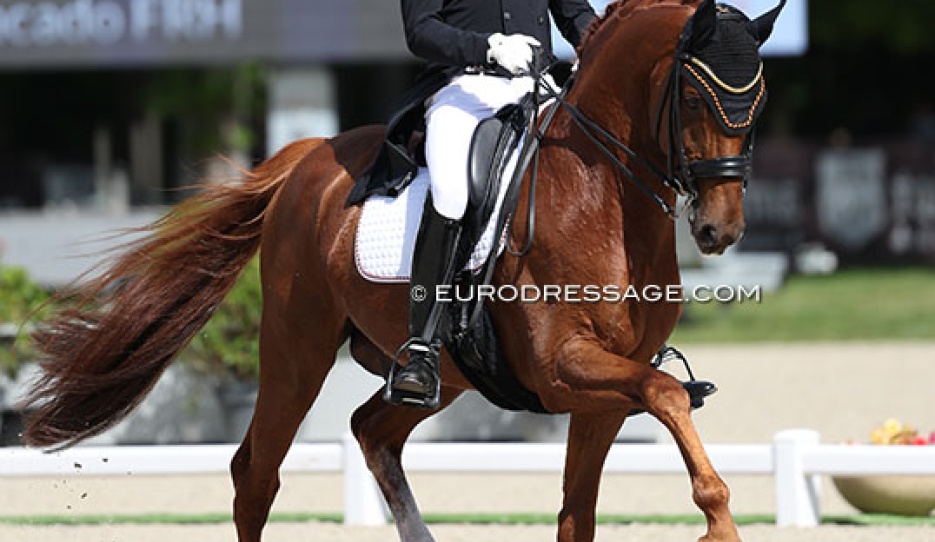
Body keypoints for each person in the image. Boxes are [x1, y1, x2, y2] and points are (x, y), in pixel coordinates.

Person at [387, 0, 597, 409]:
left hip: (538, 87)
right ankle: (422, 349)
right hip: (463, 90)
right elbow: (421, 30)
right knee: (451, 192)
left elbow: (575, 15)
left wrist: (597, 50)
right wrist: (487, 47)